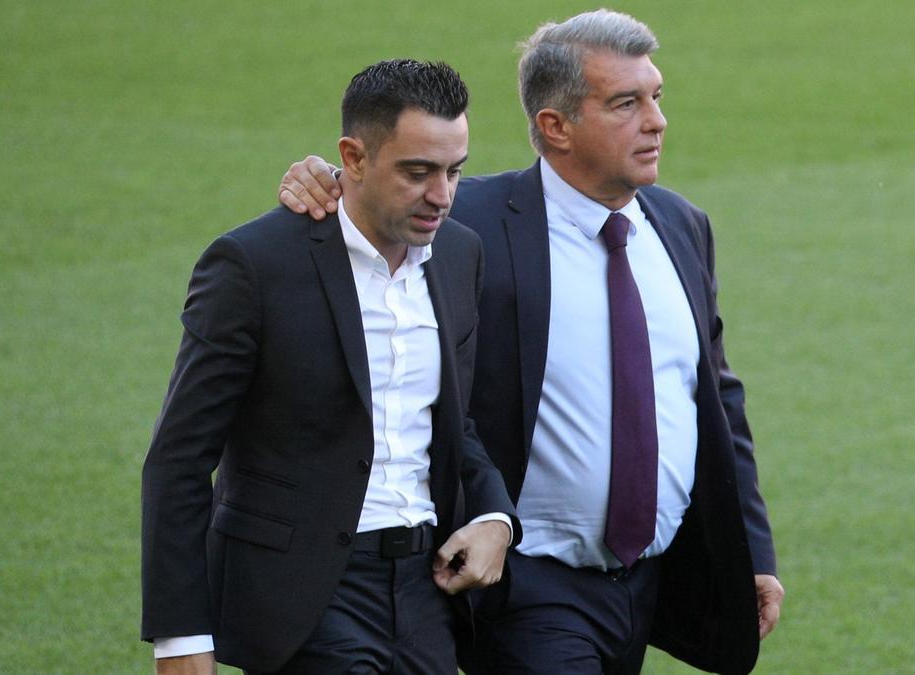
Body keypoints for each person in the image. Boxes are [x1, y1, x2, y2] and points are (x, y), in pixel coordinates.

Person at [278, 10, 784, 674]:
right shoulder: (473, 223)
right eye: (626, 103)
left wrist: (753, 550)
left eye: (656, 97)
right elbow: (378, 212)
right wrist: (319, 182)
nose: (656, 120)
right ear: (555, 126)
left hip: (646, 582)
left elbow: (716, 395)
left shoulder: (682, 226)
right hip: (530, 584)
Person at [141, 59, 519, 675]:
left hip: (429, 594)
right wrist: (181, 640)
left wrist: (494, 517)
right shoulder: (252, 265)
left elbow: (455, 425)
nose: (442, 195)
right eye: (418, 172)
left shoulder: (458, 256)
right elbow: (179, 458)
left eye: (454, 171)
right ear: (354, 156)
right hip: (308, 600)